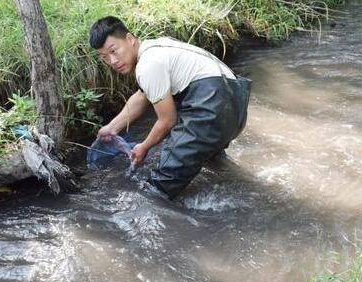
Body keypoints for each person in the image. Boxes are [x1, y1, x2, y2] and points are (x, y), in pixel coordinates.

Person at [89, 16, 249, 199]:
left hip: (211, 107)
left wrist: (144, 147)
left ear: (130, 39)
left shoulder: (147, 66)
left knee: (158, 189)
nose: (112, 61)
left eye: (114, 51)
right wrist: (112, 128)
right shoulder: (156, 47)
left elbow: (167, 120)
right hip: (235, 103)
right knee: (212, 160)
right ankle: (241, 187)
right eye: (104, 57)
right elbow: (143, 96)